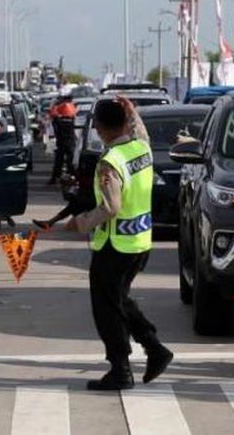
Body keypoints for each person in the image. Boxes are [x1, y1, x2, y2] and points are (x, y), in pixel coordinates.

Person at [65, 95, 173, 390]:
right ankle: (154, 348)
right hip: (140, 242)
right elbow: (141, 132)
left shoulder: (110, 162)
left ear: (99, 128)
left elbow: (110, 207)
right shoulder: (142, 149)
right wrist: (132, 112)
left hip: (115, 246)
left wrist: (80, 222)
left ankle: (121, 369)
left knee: (107, 308)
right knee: (120, 300)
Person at [47, 95, 77, 185]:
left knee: (58, 162)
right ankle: (75, 179)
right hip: (70, 143)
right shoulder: (72, 120)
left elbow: (53, 115)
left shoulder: (58, 121)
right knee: (70, 163)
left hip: (61, 143)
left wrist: (57, 105)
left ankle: (54, 179)